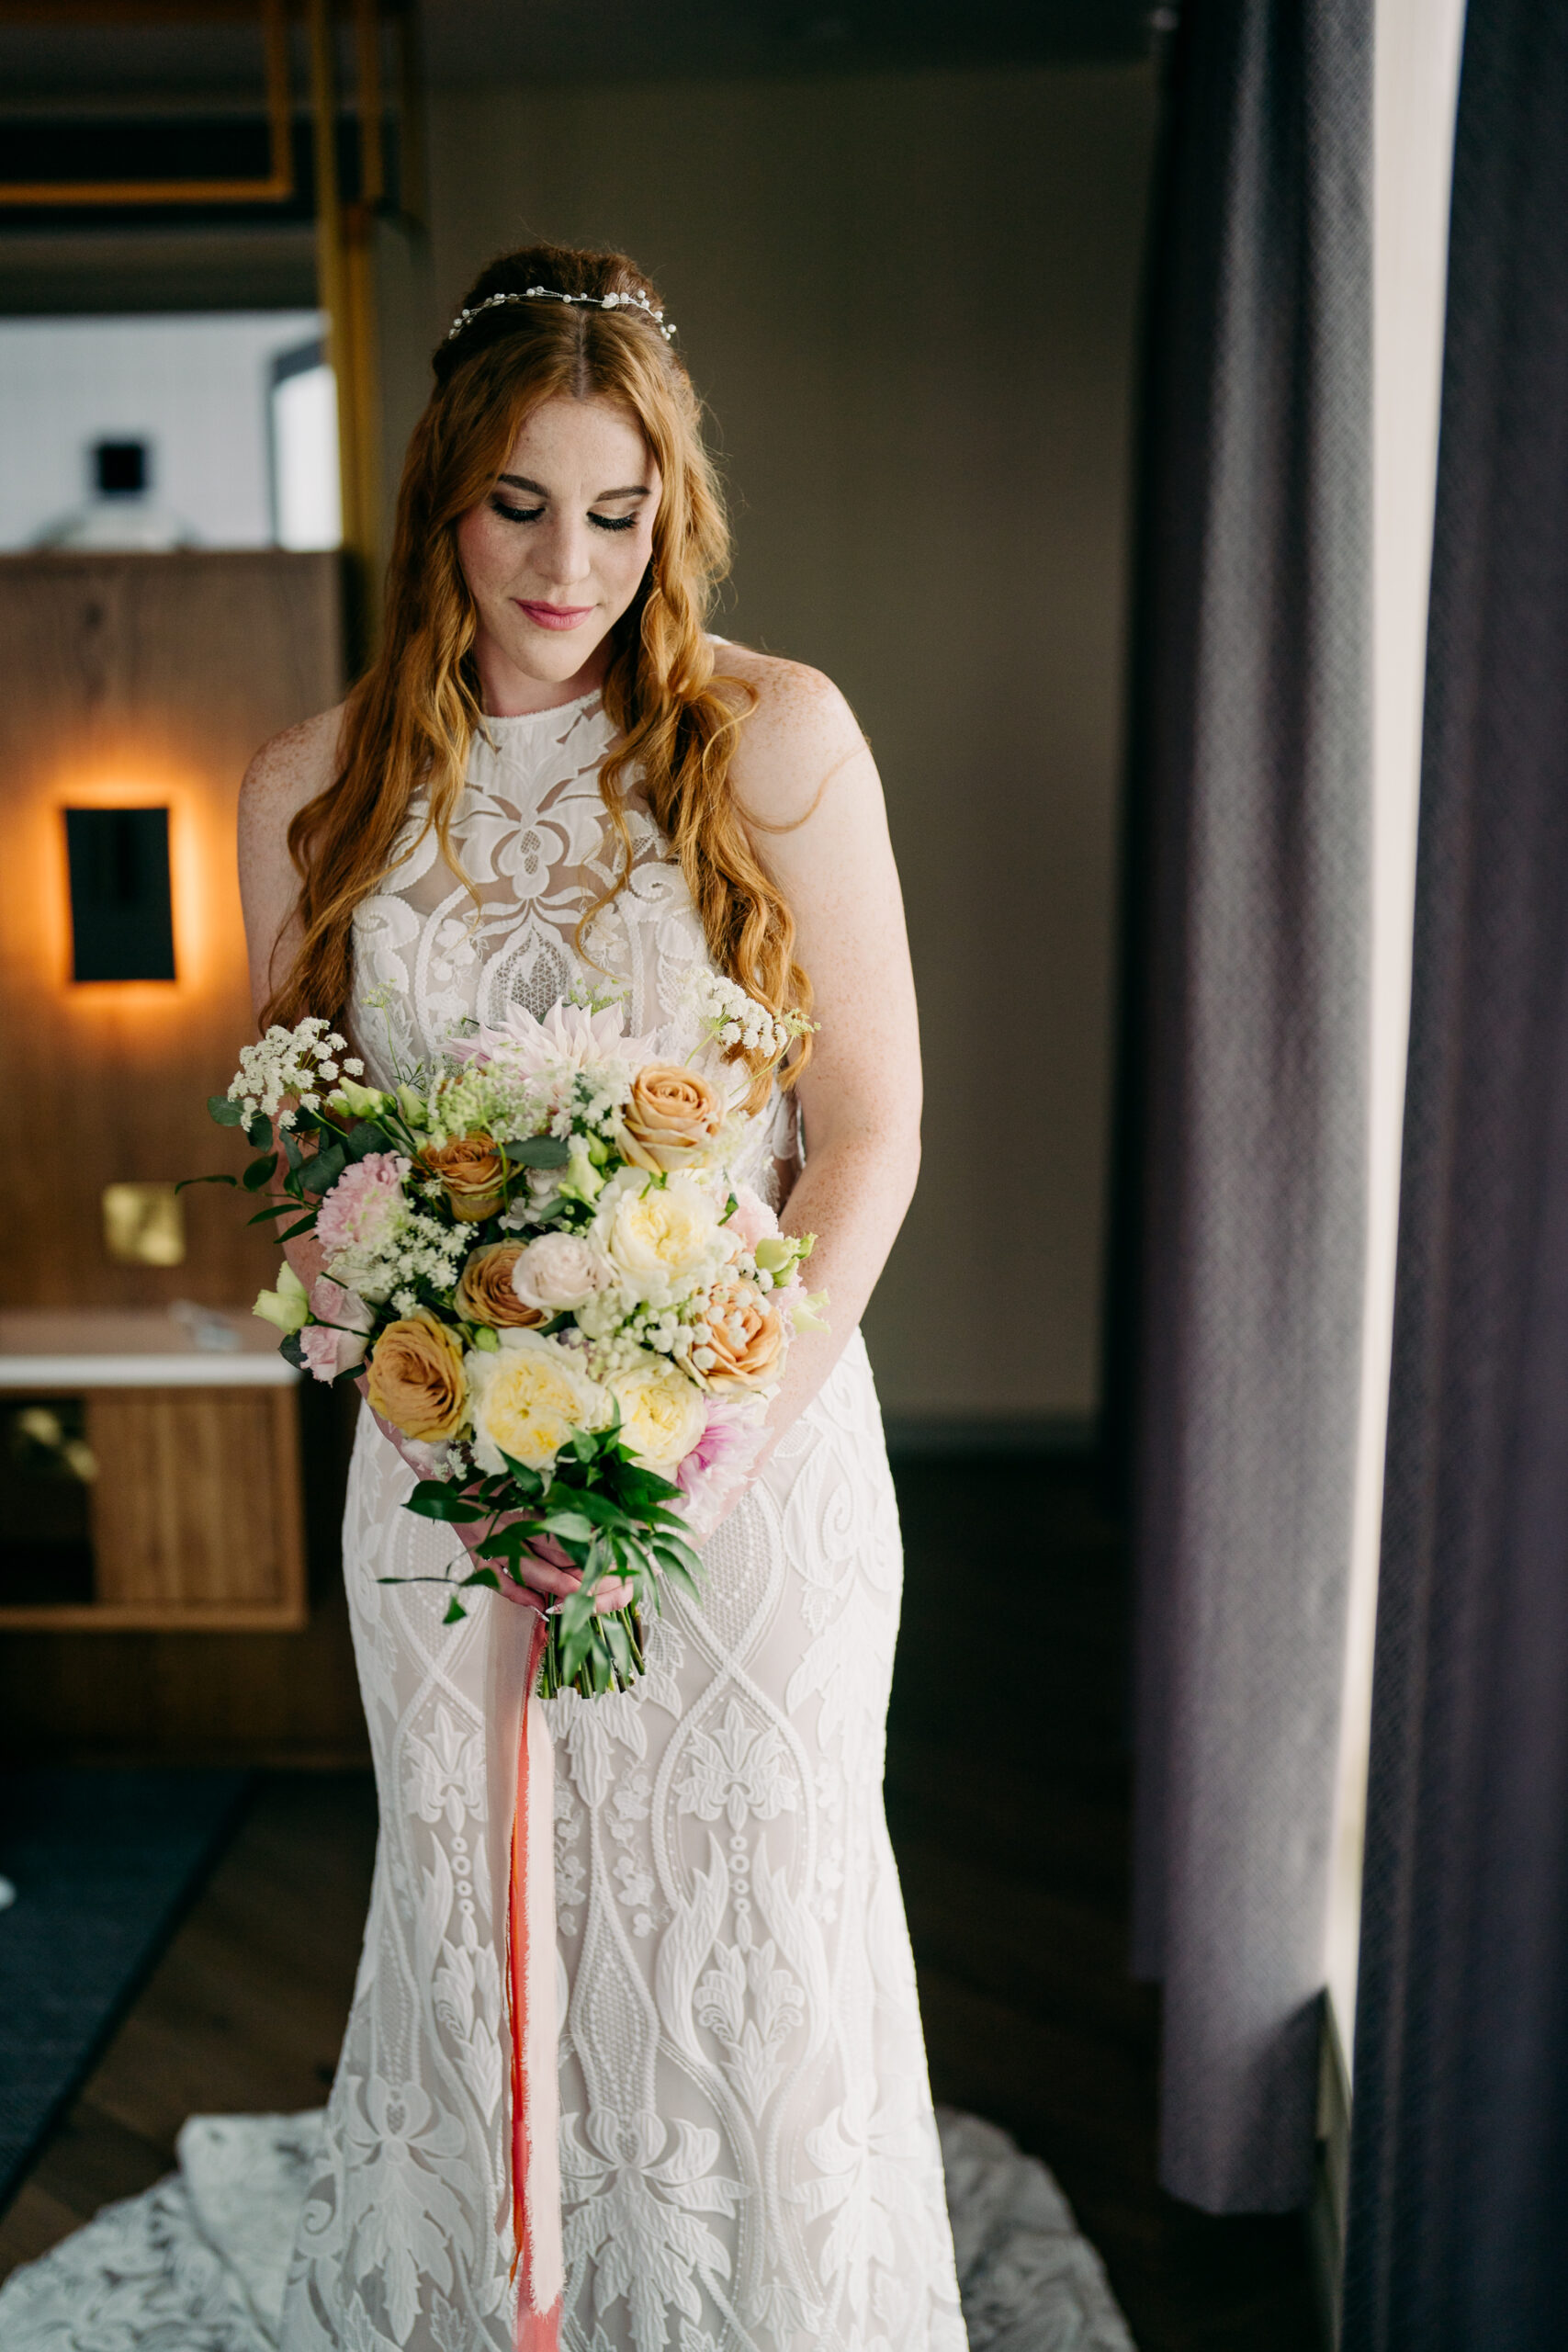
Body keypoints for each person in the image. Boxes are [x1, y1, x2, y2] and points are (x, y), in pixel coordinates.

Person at [233, 239, 964, 2352]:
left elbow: (870, 1134)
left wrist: (693, 1447)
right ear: (438, 507)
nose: (569, 563)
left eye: (617, 511)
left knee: (753, 1947)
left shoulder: (776, 734)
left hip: (746, 1466)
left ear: (672, 512)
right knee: (493, 1946)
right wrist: (455, 1434)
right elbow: (319, 1178)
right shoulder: (307, 783)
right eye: (518, 505)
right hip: (447, 1483)